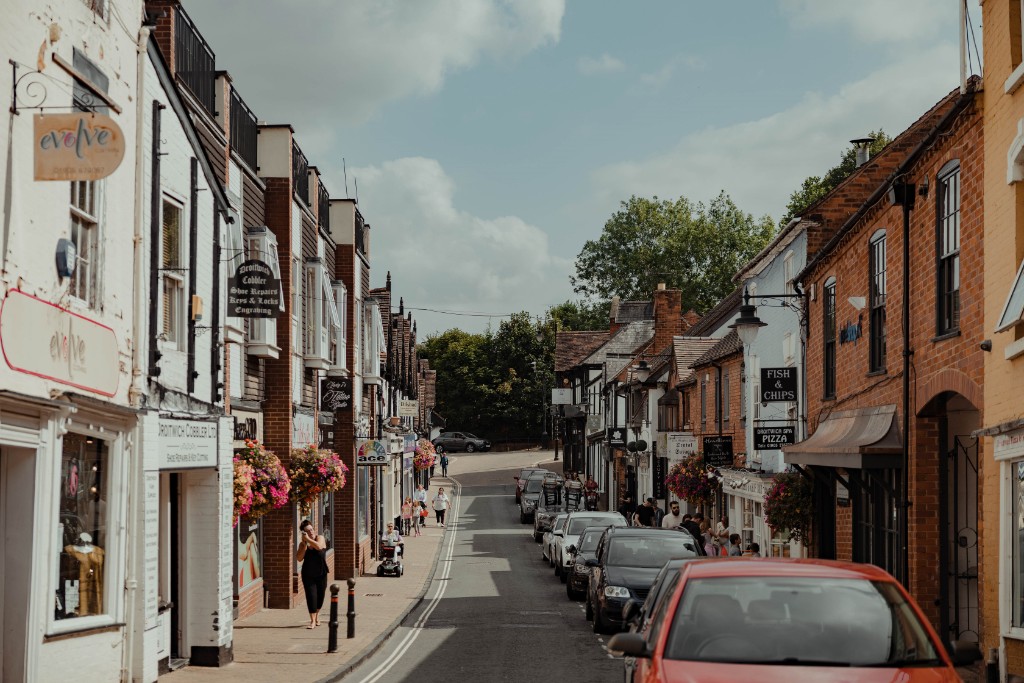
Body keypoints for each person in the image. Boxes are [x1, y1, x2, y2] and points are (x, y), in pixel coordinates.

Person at [296, 520, 328, 629]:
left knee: (320, 597)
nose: (311, 532)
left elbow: (319, 547)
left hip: (321, 573)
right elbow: (299, 558)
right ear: (303, 533)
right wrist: (305, 544)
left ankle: (317, 616)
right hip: (308, 574)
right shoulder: (303, 544)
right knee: (311, 596)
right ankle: (312, 621)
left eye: (311, 529)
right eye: (307, 531)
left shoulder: (320, 538)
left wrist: (309, 540)